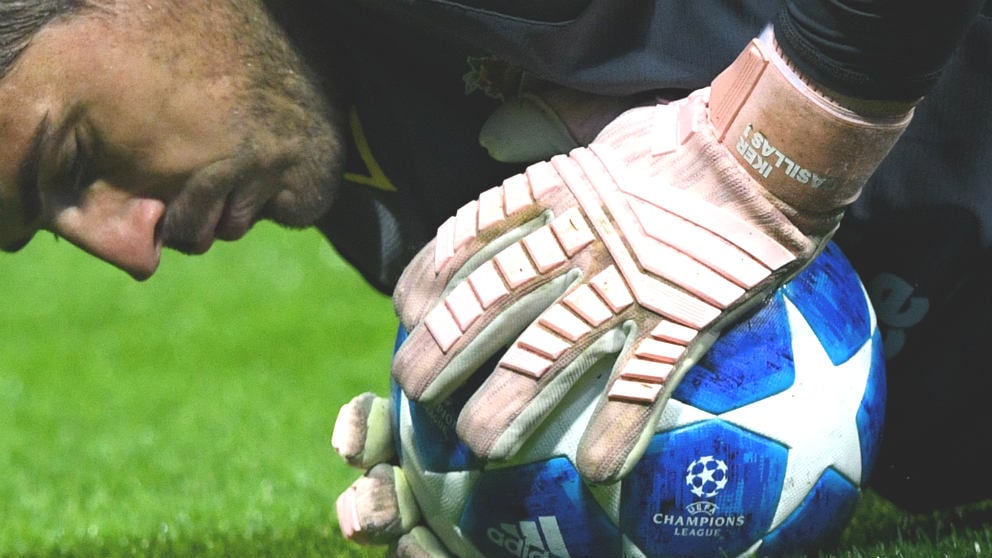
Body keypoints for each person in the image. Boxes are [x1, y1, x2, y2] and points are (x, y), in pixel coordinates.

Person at [1, 0, 990, 554]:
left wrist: (787, 137)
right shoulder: (335, 138)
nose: (125, 252)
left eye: (70, 156)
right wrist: (509, 475)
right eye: (43, 228)